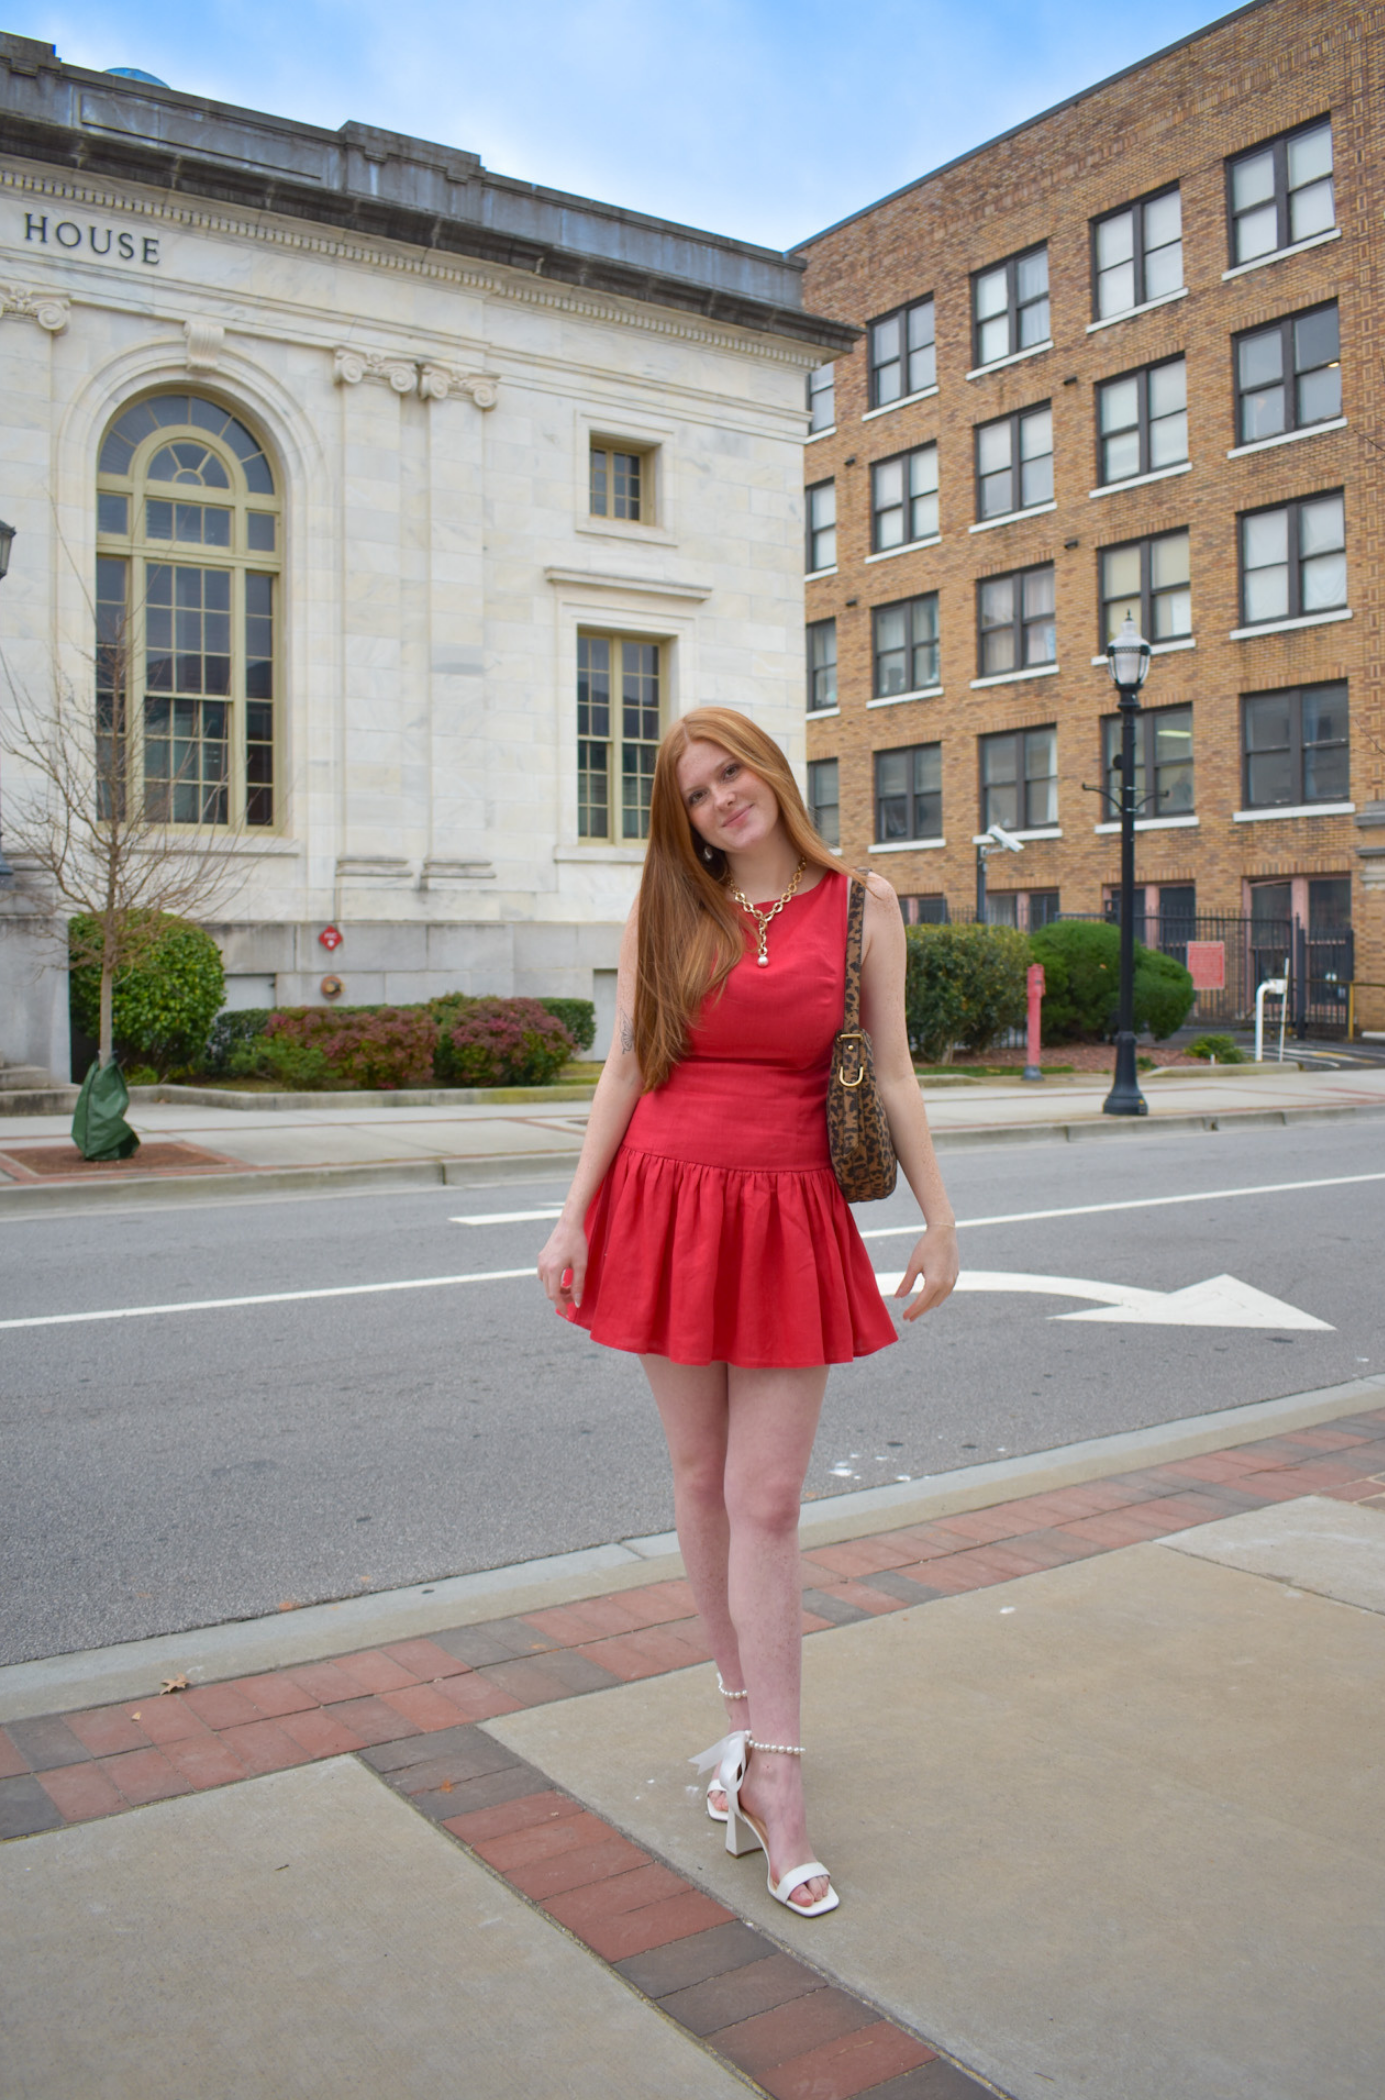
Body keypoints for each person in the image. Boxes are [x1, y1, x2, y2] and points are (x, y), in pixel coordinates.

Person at [537, 707, 957, 1915]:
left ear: (772, 770)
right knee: (698, 1476)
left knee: (767, 1496)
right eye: (698, 792)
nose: (724, 799)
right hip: (662, 1200)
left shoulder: (863, 905)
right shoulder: (666, 905)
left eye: (735, 773)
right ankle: (741, 1727)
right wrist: (572, 1216)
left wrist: (939, 1217)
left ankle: (782, 1775)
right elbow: (626, 1063)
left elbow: (894, 1064)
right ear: (683, 819)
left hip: (787, 1209)